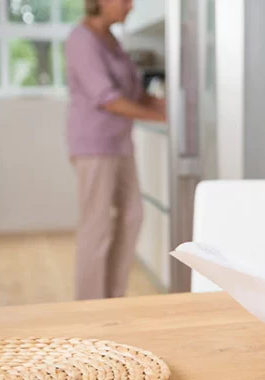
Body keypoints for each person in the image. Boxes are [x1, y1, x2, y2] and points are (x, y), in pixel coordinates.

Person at [65, 0, 166, 300]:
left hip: (121, 144)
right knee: (97, 227)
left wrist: (177, 106)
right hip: (94, 146)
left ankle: (113, 296)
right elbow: (107, 98)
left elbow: (134, 94)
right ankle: (90, 305)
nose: (130, 6)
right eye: (124, 0)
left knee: (132, 216)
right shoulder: (81, 39)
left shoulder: (114, 40)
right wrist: (161, 116)